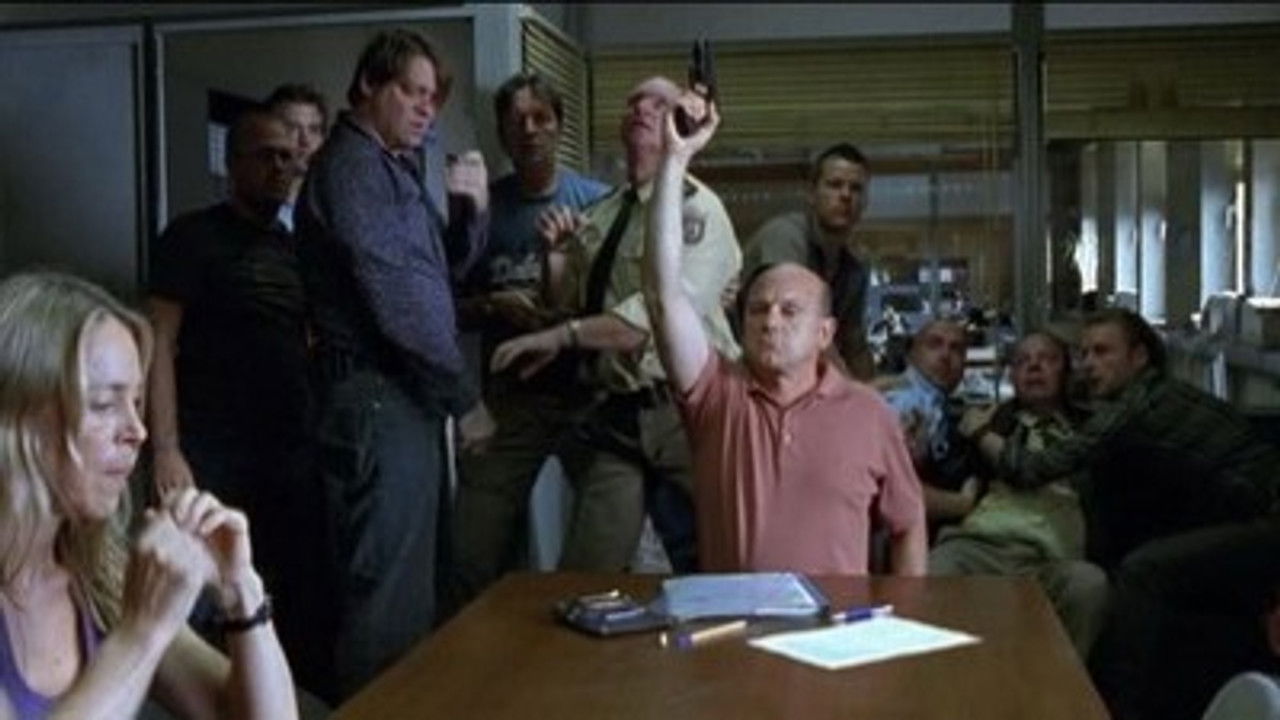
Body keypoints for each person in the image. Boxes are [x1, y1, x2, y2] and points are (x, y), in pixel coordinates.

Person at [642, 90, 926, 575]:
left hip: (837, 624)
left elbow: (909, 524)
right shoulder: (717, 396)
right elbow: (663, 294)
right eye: (758, 310)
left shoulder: (868, 412)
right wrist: (674, 159)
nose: (771, 320)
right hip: (732, 618)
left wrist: (906, 615)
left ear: (823, 331)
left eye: (789, 311)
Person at [294, 29, 493, 702]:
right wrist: (465, 399)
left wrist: (470, 211)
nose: (425, 108)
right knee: (387, 602)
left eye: (433, 98)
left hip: (402, 398)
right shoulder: (352, 169)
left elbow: (440, 271)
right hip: (376, 397)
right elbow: (401, 302)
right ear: (368, 86)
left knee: (413, 592)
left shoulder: (391, 168)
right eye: (411, 91)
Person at [0, 271, 296, 720]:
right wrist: (140, 633)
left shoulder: (98, 573)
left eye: (136, 402)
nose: (138, 431)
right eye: (104, 404)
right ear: (18, 421)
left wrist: (242, 590)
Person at [969, 308, 1280, 720]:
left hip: (1268, 522)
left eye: (1102, 352)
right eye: (1083, 354)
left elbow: (1031, 468)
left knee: (1140, 573)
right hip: (1245, 513)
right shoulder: (1148, 397)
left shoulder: (1133, 407)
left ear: (1138, 357)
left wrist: (978, 430)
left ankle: (1111, 710)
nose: (1089, 364)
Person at [491, 76, 740, 573]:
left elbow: (655, 318)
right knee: (587, 570)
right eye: (634, 102)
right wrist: (555, 259)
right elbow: (569, 306)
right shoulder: (602, 212)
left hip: (687, 411)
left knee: (728, 559)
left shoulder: (698, 209)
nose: (642, 109)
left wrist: (562, 336)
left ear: (682, 122)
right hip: (617, 413)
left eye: (659, 103)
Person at [145, 106, 318, 682]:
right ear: (233, 162)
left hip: (287, 449)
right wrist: (166, 447)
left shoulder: (294, 247)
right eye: (267, 156)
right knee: (197, 595)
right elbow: (157, 341)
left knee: (282, 592)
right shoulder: (192, 237)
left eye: (289, 158)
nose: (281, 168)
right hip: (211, 448)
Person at [451, 72, 608, 603]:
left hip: (589, 398)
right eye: (517, 121)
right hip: (511, 402)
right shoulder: (481, 210)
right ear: (501, 133)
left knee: (605, 547)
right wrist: (493, 305)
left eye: (541, 118)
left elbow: (621, 308)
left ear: (559, 125)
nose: (530, 130)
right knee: (472, 550)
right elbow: (445, 307)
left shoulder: (596, 203)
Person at [932, 331, 1108, 657]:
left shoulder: (1091, 427)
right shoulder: (989, 419)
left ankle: (1059, 683)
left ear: (1066, 370)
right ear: (1011, 375)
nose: (1034, 367)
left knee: (1089, 584)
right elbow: (948, 473)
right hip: (981, 544)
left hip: (1051, 557)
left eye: (1047, 359)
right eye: (1022, 361)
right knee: (935, 571)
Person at [741, 143, 877, 379]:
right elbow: (794, 327)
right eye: (834, 185)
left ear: (865, 201)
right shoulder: (785, 236)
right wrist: (852, 390)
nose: (846, 195)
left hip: (797, 376)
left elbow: (854, 343)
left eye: (856, 188)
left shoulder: (854, 265)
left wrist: (873, 392)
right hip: (744, 371)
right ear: (812, 194)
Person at [880, 318, 981, 534]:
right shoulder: (908, 401)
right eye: (934, 344)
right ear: (911, 355)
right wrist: (962, 504)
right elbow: (891, 491)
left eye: (956, 349)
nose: (945, 355)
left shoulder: (933, 403)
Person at [263, 83, 329, 232]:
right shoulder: (249, 209)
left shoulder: (333, 210)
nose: (305, 140)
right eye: (292, 128)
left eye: (314, 130)